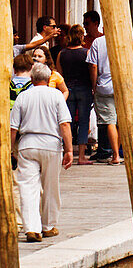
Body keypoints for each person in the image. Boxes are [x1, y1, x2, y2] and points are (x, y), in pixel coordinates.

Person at [11, 63, 72, 242]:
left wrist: (9, 148)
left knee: (28, 187)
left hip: (27, 144)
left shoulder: (23, 96)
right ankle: (48, 225)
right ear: (48, 79)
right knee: (51, 186)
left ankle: (31, 228)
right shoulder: (56, 95)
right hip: (51, 144)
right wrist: (69, 149)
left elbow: (13, 127)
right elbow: (65, 124)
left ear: (32, 79)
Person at [86, 25, 123, 164]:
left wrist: (94, 85)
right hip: (123, 86)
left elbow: (93, 65)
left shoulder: (98, 42)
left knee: (110, 121)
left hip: (105, 86)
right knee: (120, 122)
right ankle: (117, 152)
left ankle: (115, 155)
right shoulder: (126, 40)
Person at [57, 25, 92, 164]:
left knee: (67, 121)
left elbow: (60, 74)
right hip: (84, 88)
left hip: (68, 89)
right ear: (82, 36)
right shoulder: (86, 53)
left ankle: (67, 152)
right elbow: (91, 70)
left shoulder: (62, 53)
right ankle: (82, 156)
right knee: (83, 121)